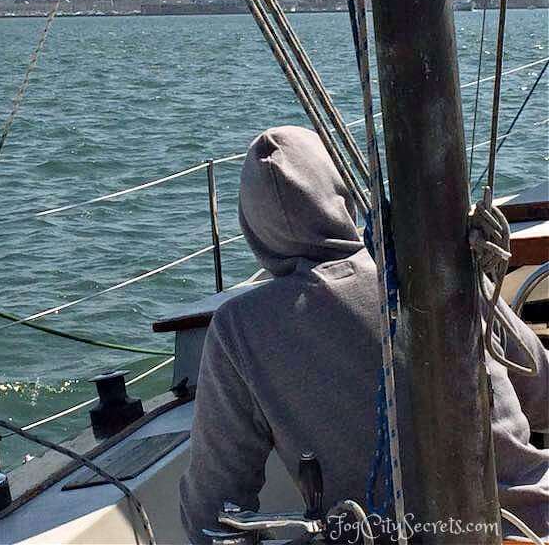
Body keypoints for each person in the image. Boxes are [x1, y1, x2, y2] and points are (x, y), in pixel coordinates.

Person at [180, 125, 549, 543]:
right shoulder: (435, 266)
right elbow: (542, 396)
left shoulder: (240, 329)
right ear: (345, 200)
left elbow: (212, 513)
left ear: (252, 230)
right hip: (527, 530)